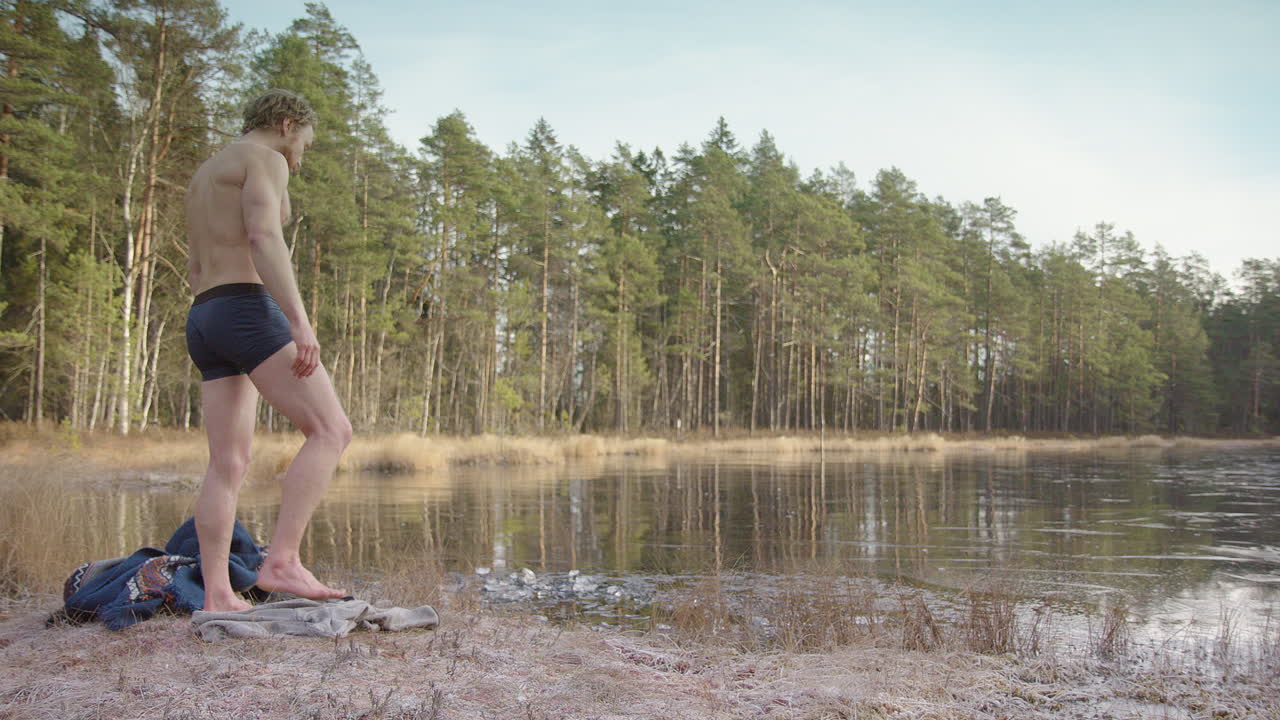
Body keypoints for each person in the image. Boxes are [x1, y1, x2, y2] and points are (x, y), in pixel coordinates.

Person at [184, 88, 351, 612]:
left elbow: (195, 266)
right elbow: (263, 237)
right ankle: (282, 561)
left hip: (204, 314)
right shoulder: (265, 159)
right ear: (286, 125)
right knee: (331, 431)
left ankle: (218, 594)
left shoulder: (206, 173)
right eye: (305, 142)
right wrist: (299, 322)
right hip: (245, 308)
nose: (302, 155)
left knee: (228, 463)